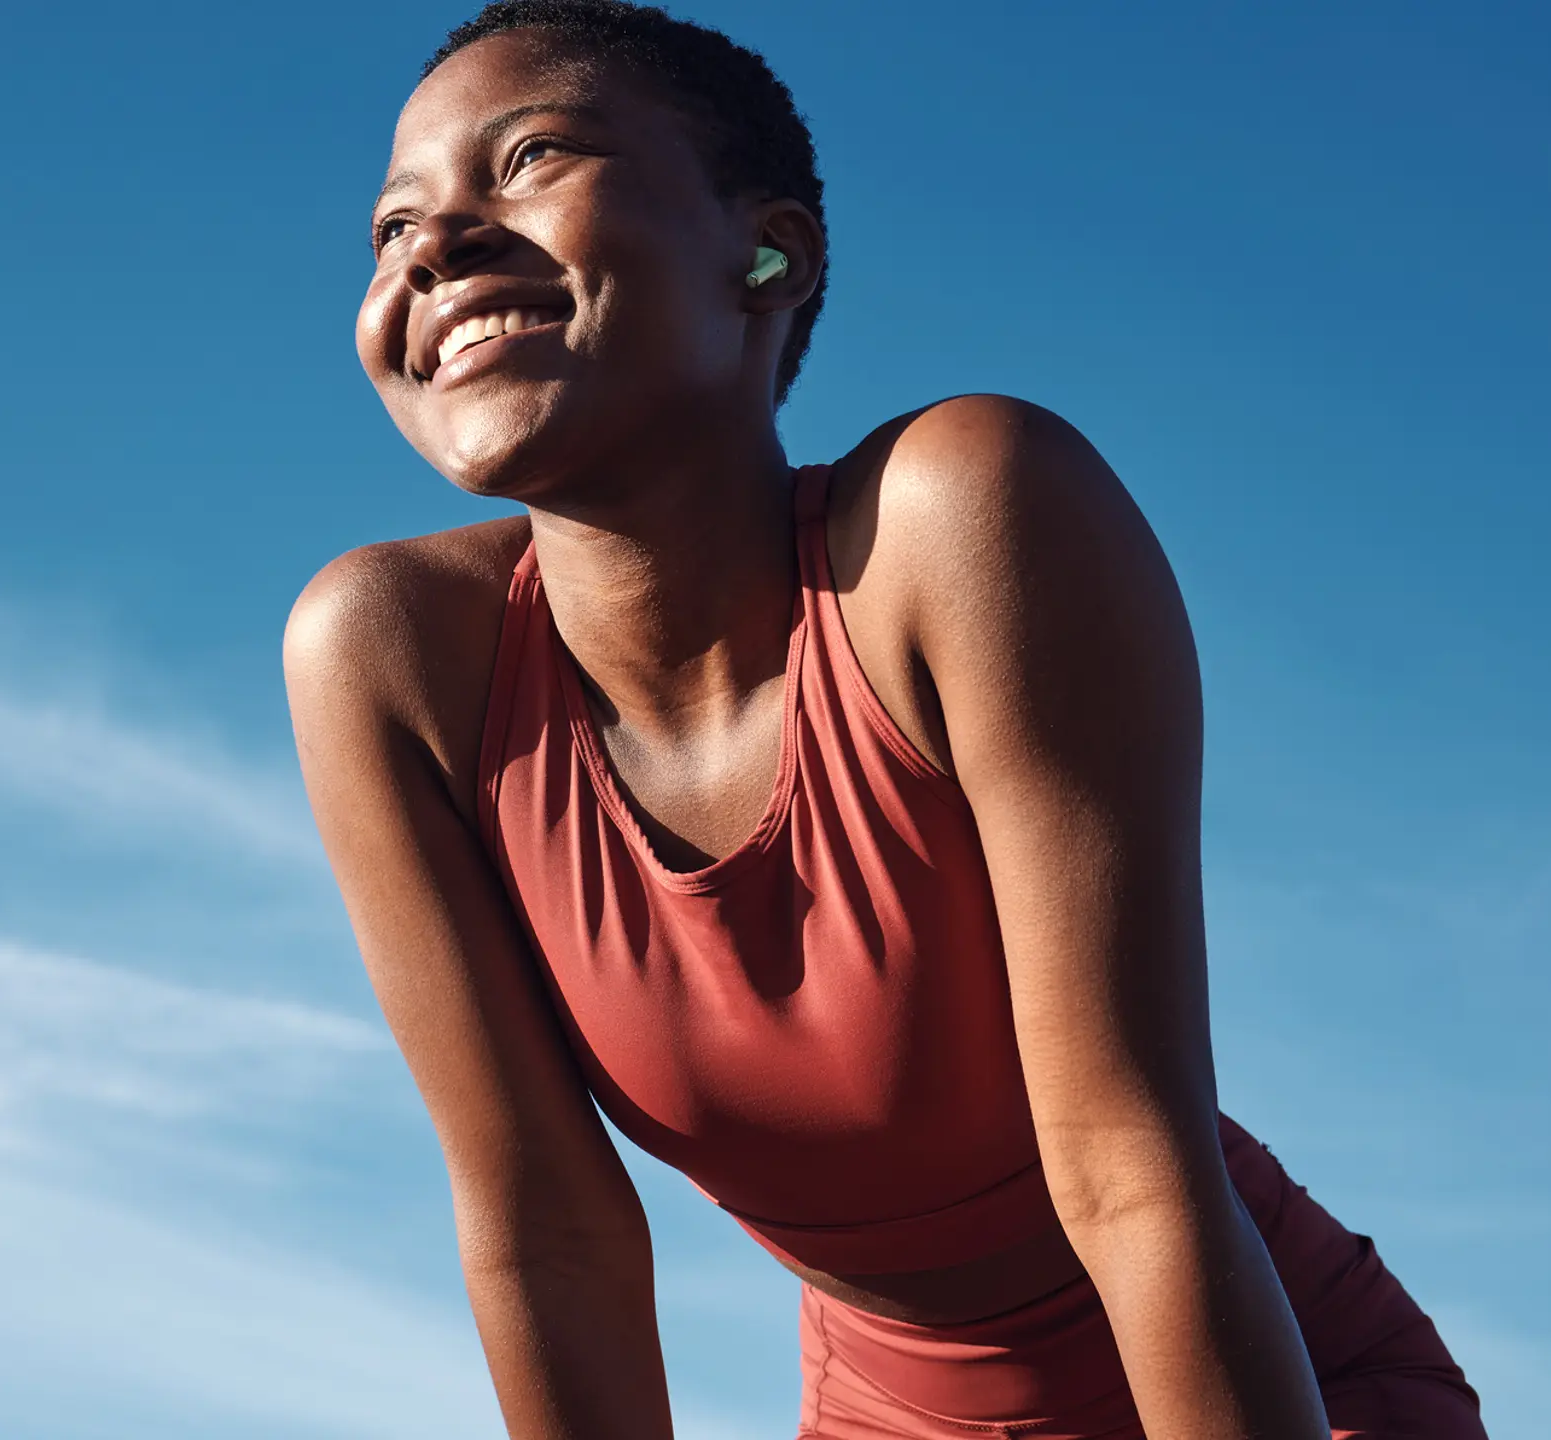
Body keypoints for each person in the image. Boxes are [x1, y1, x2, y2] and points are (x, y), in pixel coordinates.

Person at [283, 4, 1484, 1436]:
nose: (432, 246)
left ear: (770, 254)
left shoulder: (961, 515)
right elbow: (548, 1228)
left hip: (1265, 1380)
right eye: (390, 229)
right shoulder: (392, 659)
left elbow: (1127, 1162)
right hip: (886, 1411)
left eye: (532, 156)